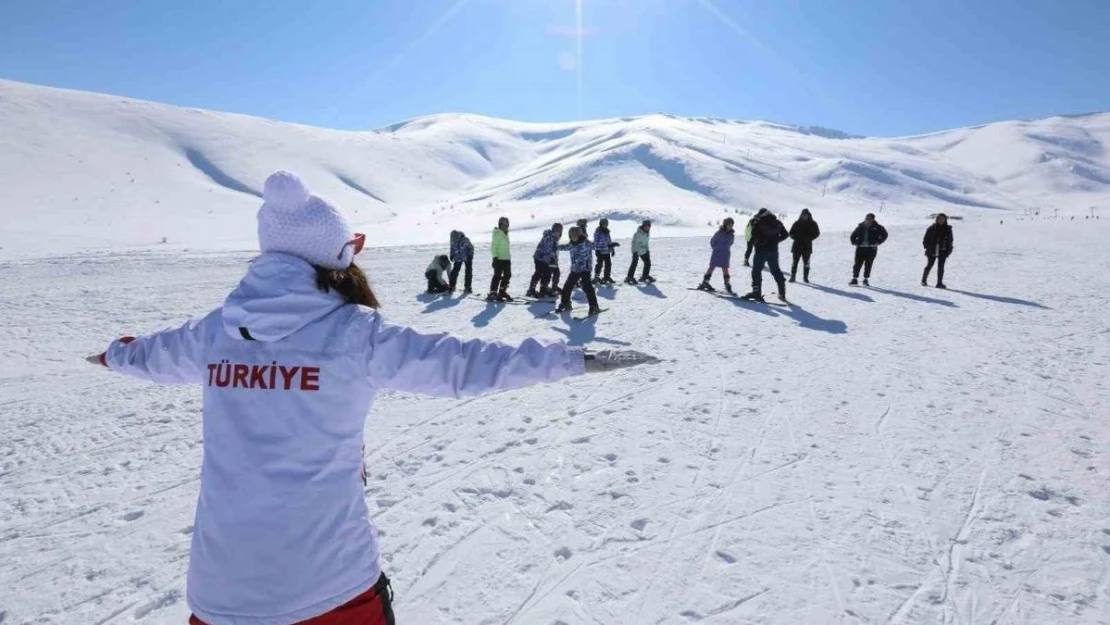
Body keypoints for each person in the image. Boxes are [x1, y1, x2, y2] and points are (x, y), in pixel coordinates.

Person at [83, 171, 658, 625]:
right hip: (330, 588)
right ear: (335, 255)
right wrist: (573, 358)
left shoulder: (215, 332)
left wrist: (113, 353)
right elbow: (466, 365)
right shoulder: (355, 333)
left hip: (218, 594)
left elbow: (148, 355)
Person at [740, 210, 789, 302]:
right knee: (775, 270)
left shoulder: (759, 222)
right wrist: (776, 240)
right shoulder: (777, 222)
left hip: (760, 251)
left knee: (756, 271)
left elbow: (753, 234)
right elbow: (786, 235)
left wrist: (759, 240)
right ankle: (782, 293)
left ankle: (756, 292)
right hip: (773, 251)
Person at [556, 226, 602, 315]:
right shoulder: (571, 244)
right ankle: (565, 303)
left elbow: (597, 246)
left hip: (585, 269)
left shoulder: (586, 243)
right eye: (572, 236)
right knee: (567, 287)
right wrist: (555, 247)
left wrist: (609, 245)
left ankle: (594, 306)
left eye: (575, 235)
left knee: (587, 287)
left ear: (579, 235)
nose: (574, 237)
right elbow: (563, 247)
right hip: (575, 270)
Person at [849, 213, 889, 286]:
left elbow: (885, 235)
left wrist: (878, 242)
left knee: (868, 264)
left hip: (871, 249)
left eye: (869, 219)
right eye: (866, 218)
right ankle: (854, 279)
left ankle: (865, 279)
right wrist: (854, 242)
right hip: (860, 248)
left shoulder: (878, 227)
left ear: (873, 220)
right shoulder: (860, 227)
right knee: (857, 264)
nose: (867, 220)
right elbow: (852, 236)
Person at [698, 218, 735, 294]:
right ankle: (705, 282)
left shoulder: (731, 235)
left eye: (731, 225)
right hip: (716, 253)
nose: (730, 226)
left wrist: (725, 248)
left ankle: (727, 284)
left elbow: (731, 243)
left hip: (725, 254)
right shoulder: (719, 233)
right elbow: (712, 241)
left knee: (725, 268)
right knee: (711, 267)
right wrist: (716, 248)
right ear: (725, 225)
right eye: (729, 225)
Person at [527, 223, 563, 298]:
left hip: (546, 260)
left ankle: (544, 288)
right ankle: (532, 288)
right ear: (552, 231)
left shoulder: (554, 239)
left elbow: (554, 253)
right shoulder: (549, 238)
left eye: (558, 232)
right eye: (555, 232)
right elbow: (548, 250)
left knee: (547, 274)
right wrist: (551, 259)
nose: (557, 234)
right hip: (540, 258)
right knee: (540, 273)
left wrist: (554, 261)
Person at [922, 213, 954, 288]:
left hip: (943, 250)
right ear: (936, 219)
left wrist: (949, 249)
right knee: (929, 265)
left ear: (945, 220)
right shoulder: (931, 228)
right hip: (932, 249)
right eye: (939, 219)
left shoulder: (948, 229)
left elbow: (950, 240)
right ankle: (923, 280)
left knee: (941, 267)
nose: (941, 220)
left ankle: (939, 283)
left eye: (942, 219)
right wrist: (928, 247)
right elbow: (925, 239)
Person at [788, 209, 820, 283]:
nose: (804, 216)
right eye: (803, 214)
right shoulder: (796, 223)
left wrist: (810, 238)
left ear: (808, 215)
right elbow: (790, 233)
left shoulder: (813, 224)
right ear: (801, 215)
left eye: (806, 215)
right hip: (797, 246)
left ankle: (805, 277)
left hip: (807, 246)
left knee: (806, 263)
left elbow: (817, 233)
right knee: (794, 262)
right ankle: (793, 276)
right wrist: (795, 237)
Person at [487, 216, 513, 302]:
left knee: (507, 275)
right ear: (500, 224)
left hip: (506, 258)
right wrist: (495, 258)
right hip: (499, 259)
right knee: (497, 276)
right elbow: (494, 247)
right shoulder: (497, 233)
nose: (505, 226)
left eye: (506, 224)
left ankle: (502, 292)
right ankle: (493, 292)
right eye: (503, 224)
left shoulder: (505, 234)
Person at [625, 220, 654, 284]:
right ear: (643, 226)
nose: (647, 228)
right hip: (636, 250)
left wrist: (647, 250)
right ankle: (629, 277)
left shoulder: (646, 233)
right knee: (634, 263)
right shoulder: (639, 233)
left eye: (648, 226)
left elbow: (646, 243)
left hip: (643, 250)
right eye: (646, 226)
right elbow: (636, 244)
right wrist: (637, 252)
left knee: (648, 263)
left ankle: (645, 276)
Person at [592, 218, 619, 284]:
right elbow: (596, 243)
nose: (605, 225)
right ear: (601, 224)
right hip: (600, 251)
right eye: (603, 224)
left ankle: (606, 277)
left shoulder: (607, 231)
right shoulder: (598, 232)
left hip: (607, 252)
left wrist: (612, 249)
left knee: (608, 265)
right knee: (599, 264)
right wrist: (598, 249)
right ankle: (596, 277)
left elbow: (609, 242)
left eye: (606, 224)